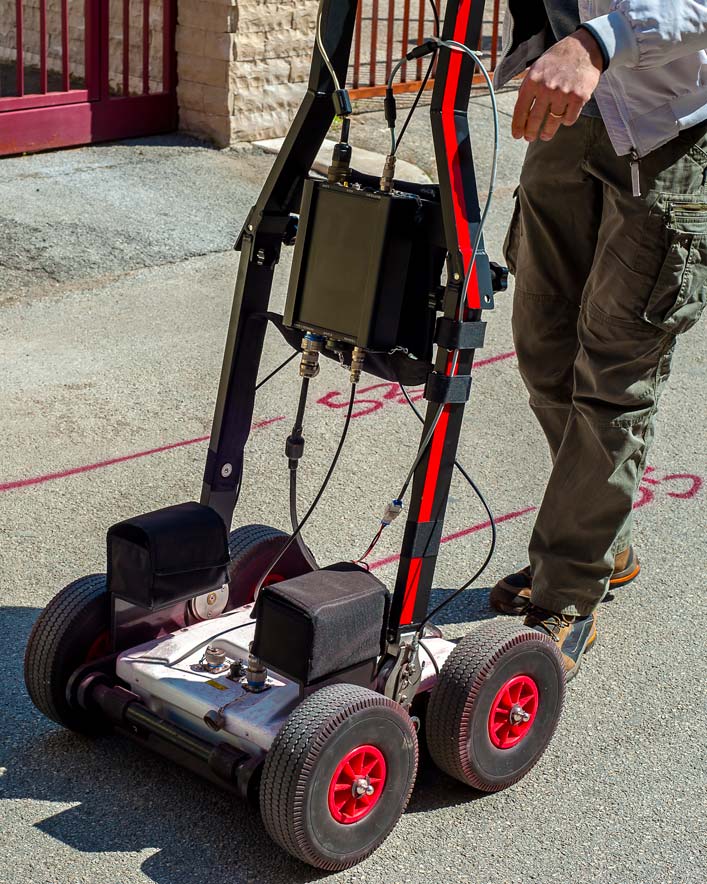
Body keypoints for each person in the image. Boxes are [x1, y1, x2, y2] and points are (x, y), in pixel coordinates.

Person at [489, 2, 707, 679]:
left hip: (664, 125)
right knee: (541, 347)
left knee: (614, 375)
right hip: (568, 113)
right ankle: (603, 543)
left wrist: (596, 41)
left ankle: (567, 592)